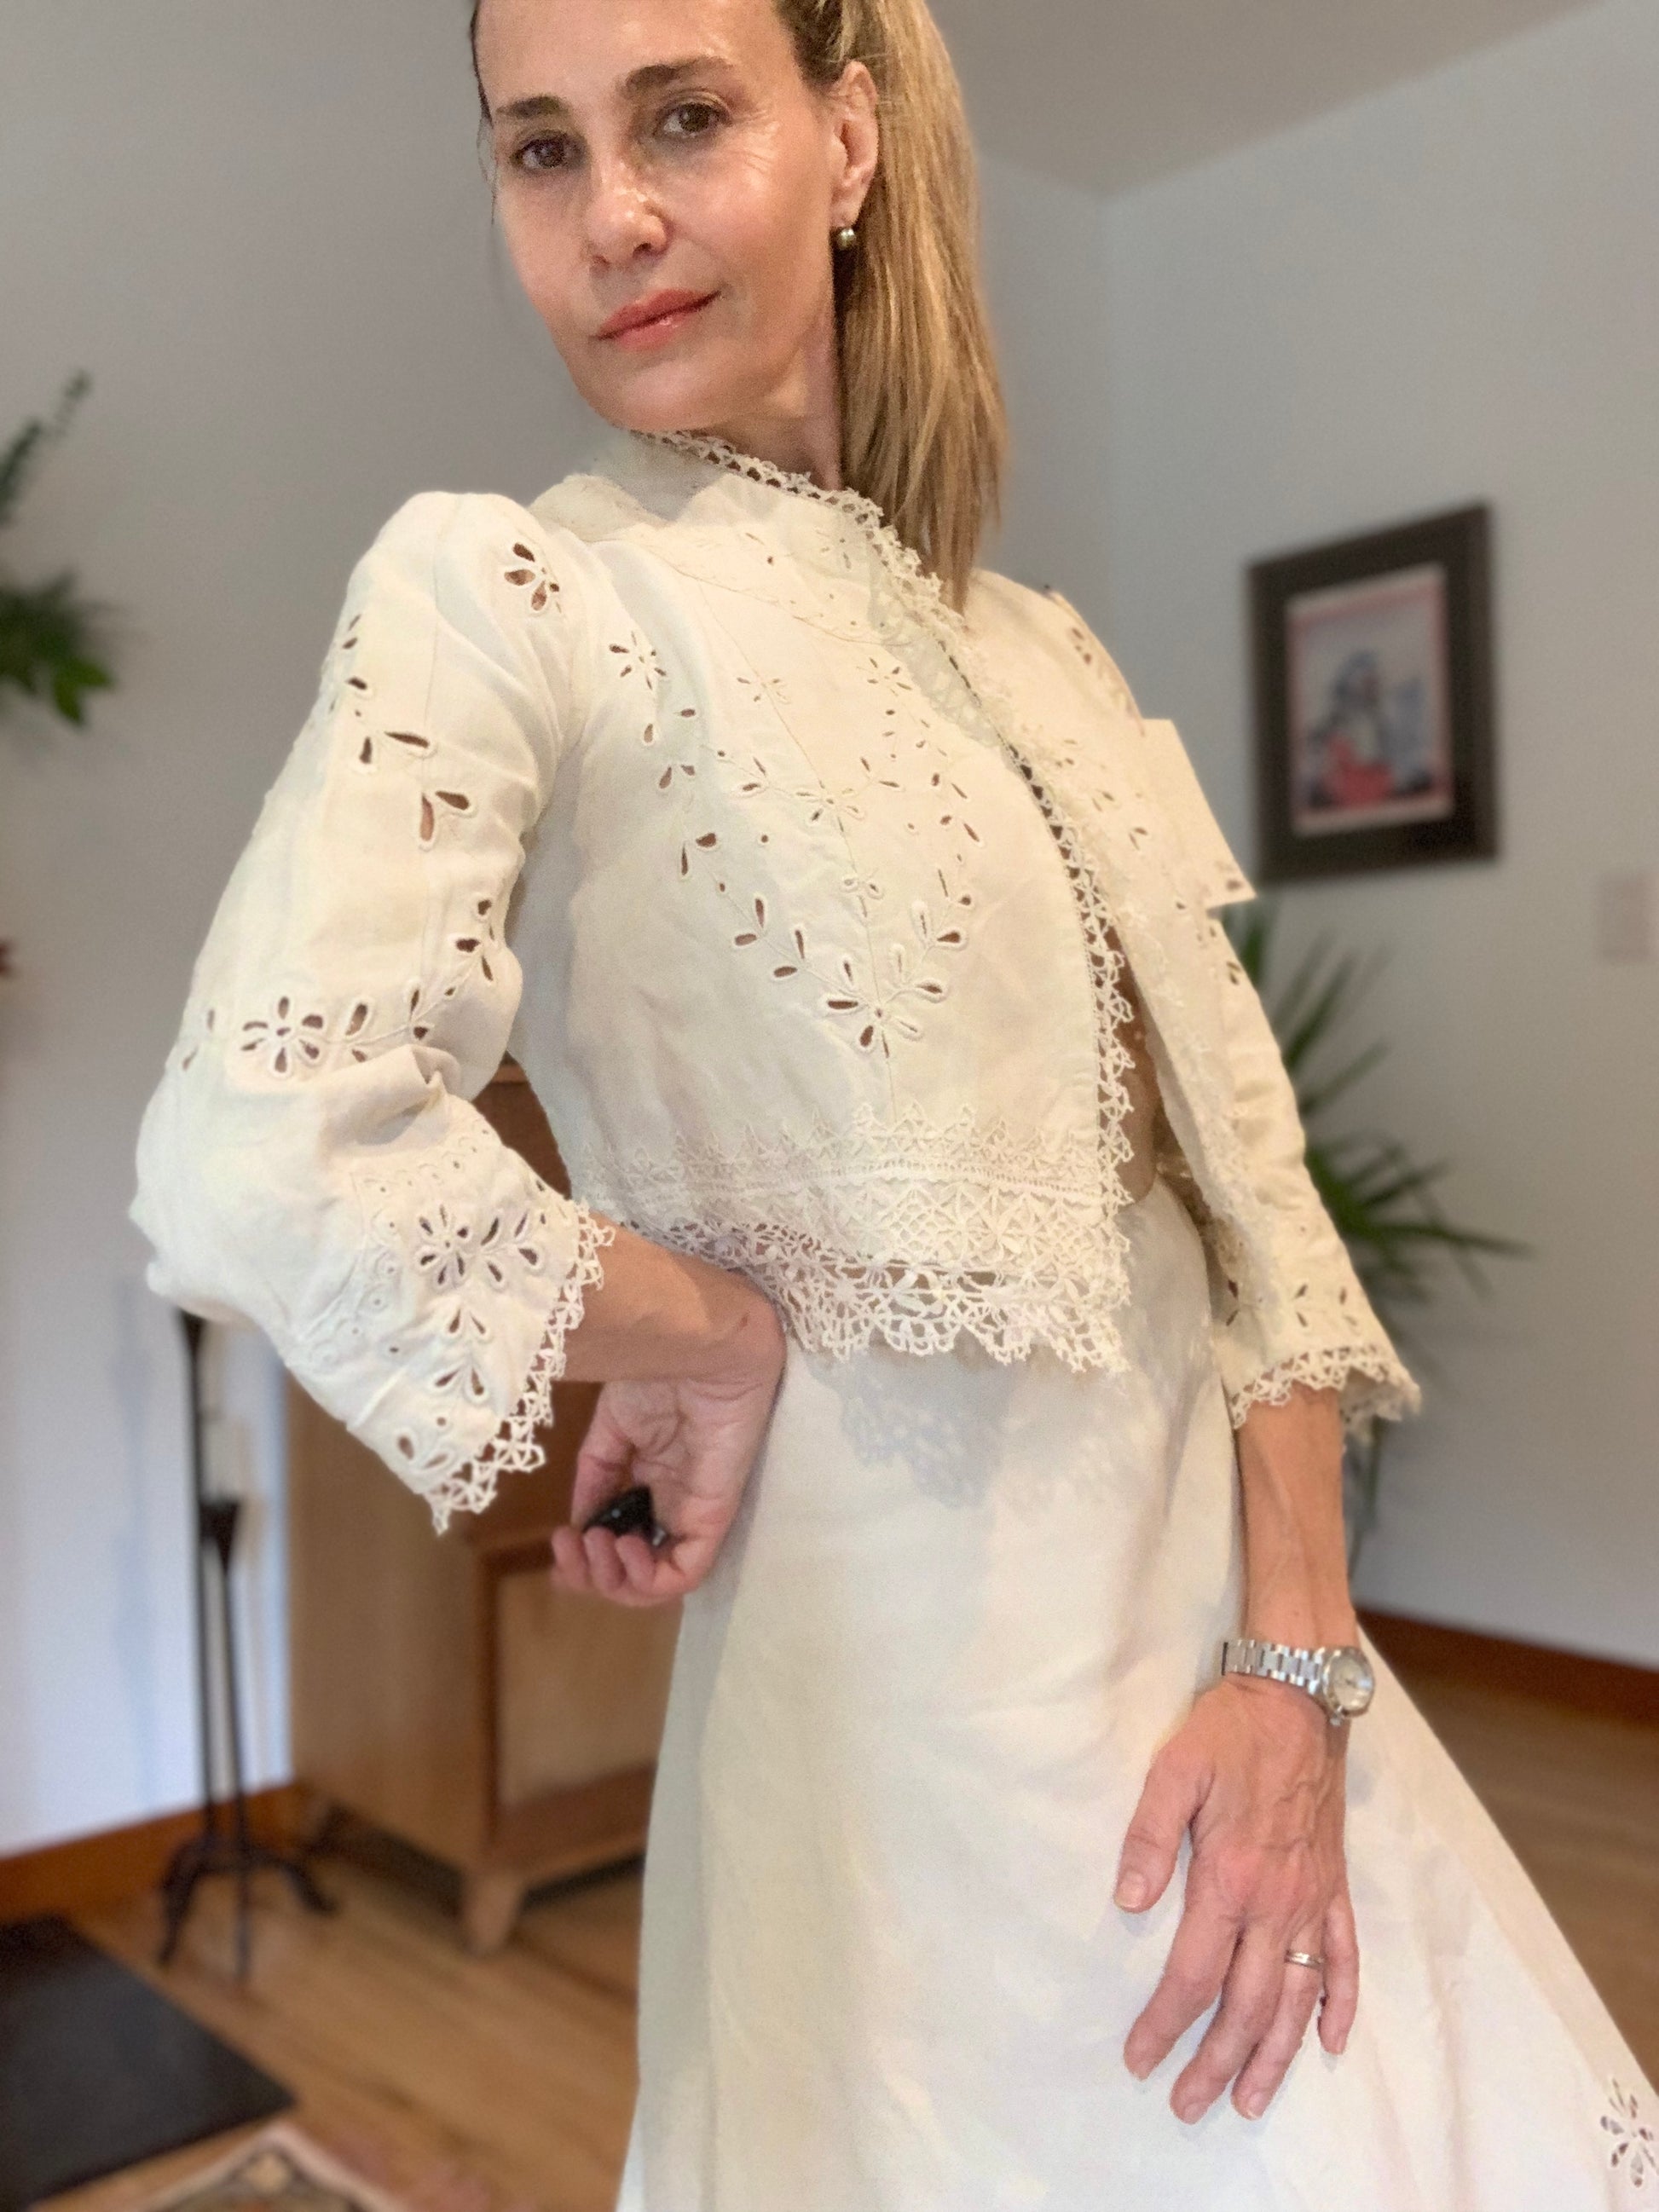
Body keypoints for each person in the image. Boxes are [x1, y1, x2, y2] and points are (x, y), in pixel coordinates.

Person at [130, 0, 1656, 2203]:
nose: (612, 215)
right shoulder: (514, 594)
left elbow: (1252, 1196)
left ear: (847, 140)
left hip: (1254, 1698)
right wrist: (706, 1330)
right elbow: (263, 1142)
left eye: (682, 117)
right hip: (910, 1791)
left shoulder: (1047, 657)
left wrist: (1300, 1662)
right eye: (540, 150)